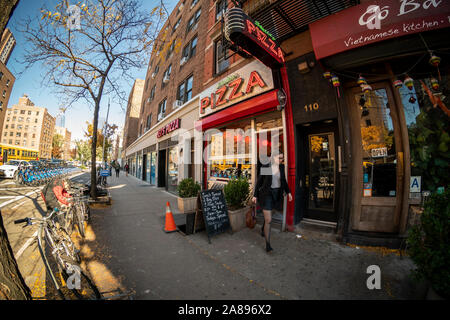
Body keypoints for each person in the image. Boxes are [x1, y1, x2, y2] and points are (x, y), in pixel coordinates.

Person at [252, 152, 292, 253]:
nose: (281, 160)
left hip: (276, 195)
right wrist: (255, 195)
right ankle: (268, 244)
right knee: (269, 220)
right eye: (279, 158)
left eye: (282, 158)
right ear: (273, 158)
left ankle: (263, 229)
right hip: (267, 195)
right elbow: (259, 182)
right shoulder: (267, 167)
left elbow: (284, 181)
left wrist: (289, 192)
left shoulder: (282, 167)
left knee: (269, 215)